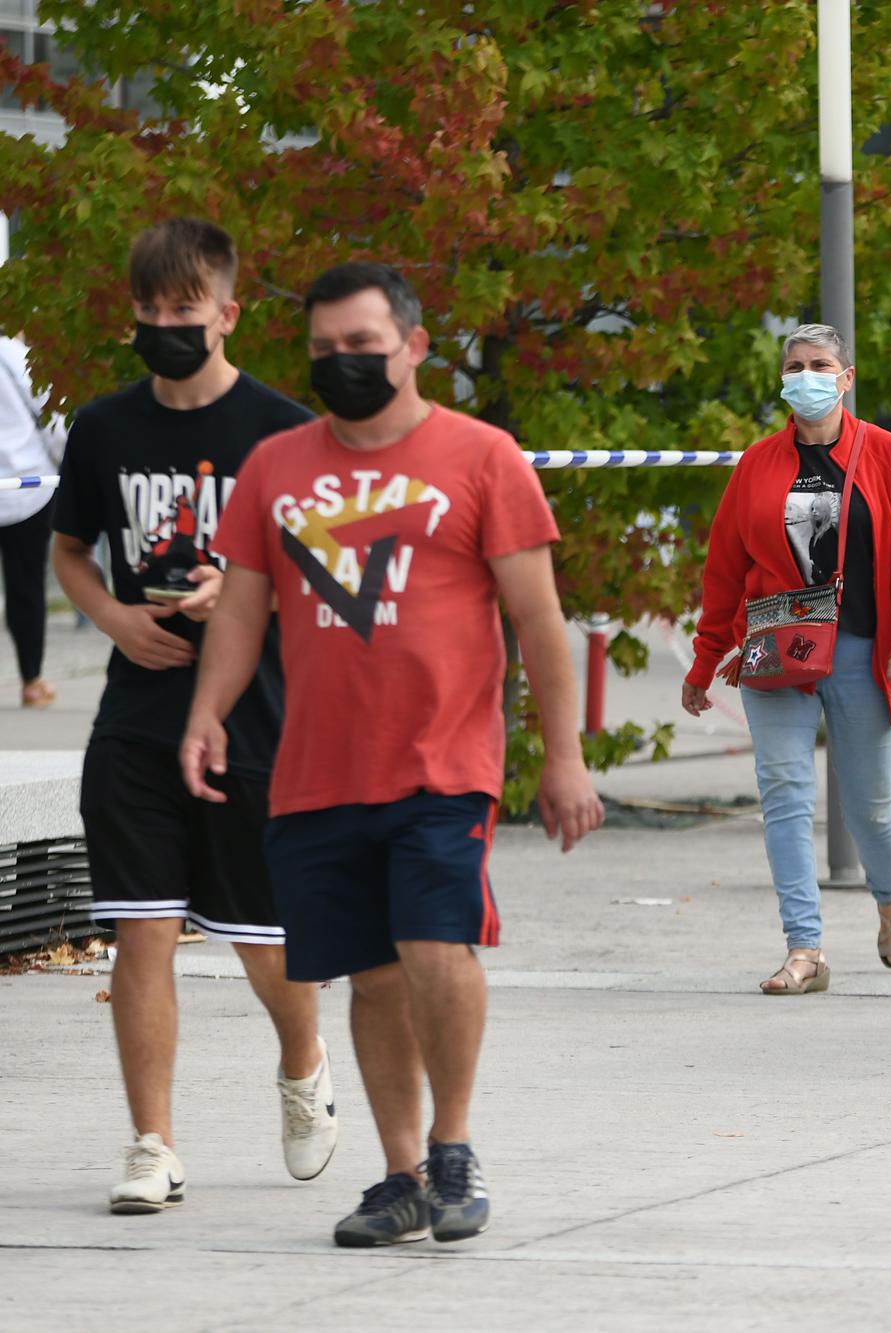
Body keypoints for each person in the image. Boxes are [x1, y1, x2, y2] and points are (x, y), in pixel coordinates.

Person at [182, 261, 604, 1248]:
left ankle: (454, 1150)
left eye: (363, 347)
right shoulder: (276, 467)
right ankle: (402, 1174)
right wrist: (207, 712)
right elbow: (243, 607)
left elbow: (538, 620)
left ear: (413, 346)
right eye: (325, 350)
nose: (343, 365)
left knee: (433, 947)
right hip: (315, 771)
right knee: (370, 975)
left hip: (443, 764)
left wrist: (564, 758)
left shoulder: (481, 457)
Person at [48, 219, 336, 1214]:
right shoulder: (105, 428)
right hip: (137, 718)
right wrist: (116, 619)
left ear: (228, 312)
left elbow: (332, 572)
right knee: (142, 932)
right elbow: (71, 550)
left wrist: (244, 591)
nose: (167, 325)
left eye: (186, 310)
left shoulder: (285, 431)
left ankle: (303, 1064)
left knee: (264, 941)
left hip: (256, 718)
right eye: (152, 310)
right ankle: (150, 1142)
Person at [681, 323, 891, 995]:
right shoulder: (757, 464)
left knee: (870, 804)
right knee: (785, 797)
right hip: (775, 653)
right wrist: (705, 658)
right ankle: (805, 948)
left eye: (821, 364)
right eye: (795, 365)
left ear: (846, 378)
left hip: (863, 652)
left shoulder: (887, 455)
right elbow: (723, 569)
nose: (806, 375)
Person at [1, 334, 64, 708]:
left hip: (28, 488)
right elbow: (53, 417)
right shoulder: (16, 355)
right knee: (26, 587)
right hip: (28, 486)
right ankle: (32, 679)